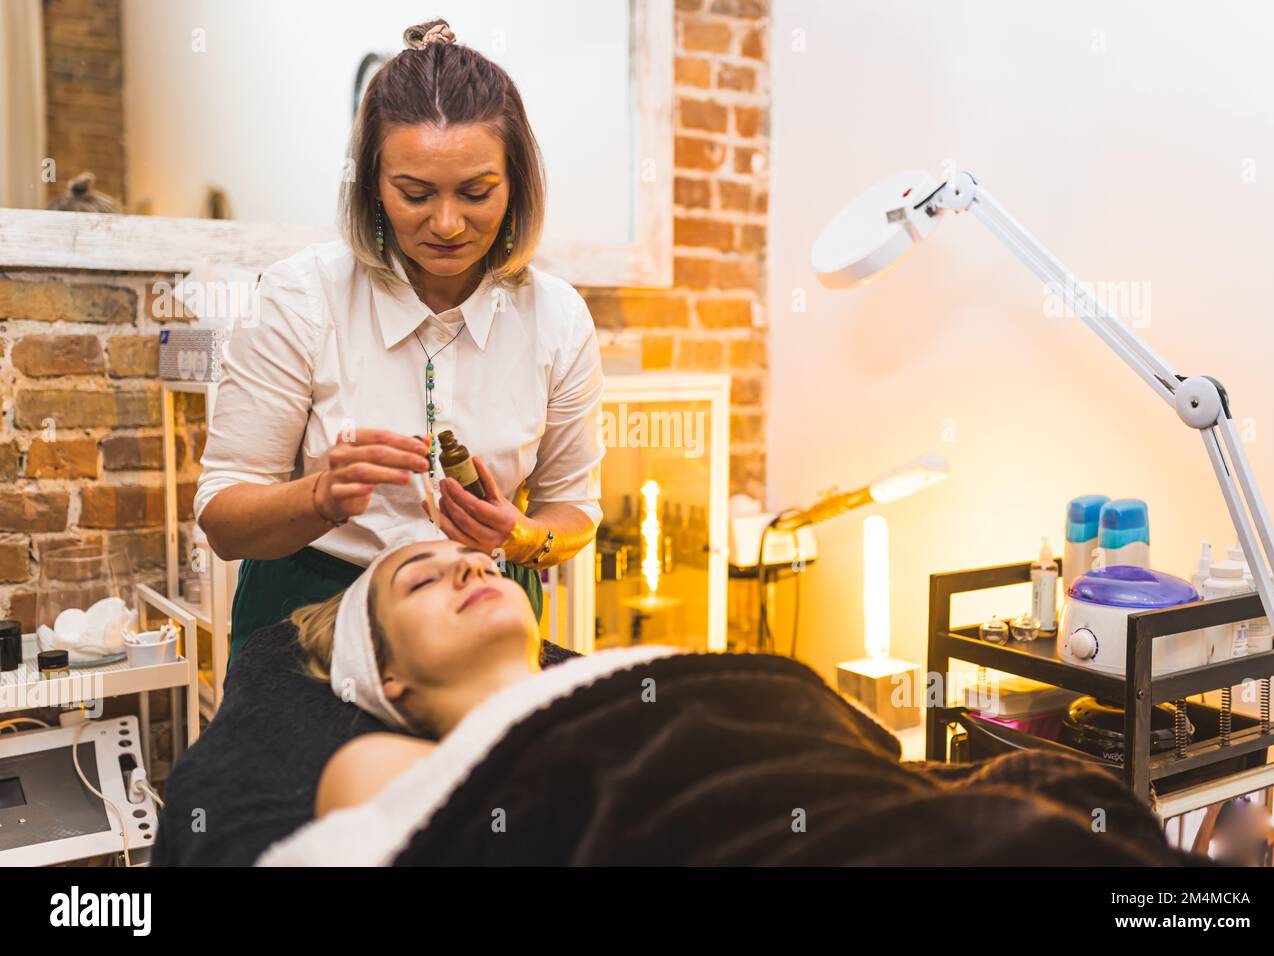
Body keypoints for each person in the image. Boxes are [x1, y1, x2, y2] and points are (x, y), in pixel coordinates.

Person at [271, 536, 1191, 867]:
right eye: (420, 581)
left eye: (469, 557)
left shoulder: (637, 671)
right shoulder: (390, 755)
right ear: (386, 679)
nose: (468, 564)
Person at [194, 18, 605, 660]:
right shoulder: (301, 297)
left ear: (517, 184)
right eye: (415, 193)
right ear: (372, 187)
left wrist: (521, 536)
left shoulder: (558, 317)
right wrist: (318, 497)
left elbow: (572, 509)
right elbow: (223, 520)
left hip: (486, 609)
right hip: (310, 613)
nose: (447, 223)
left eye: (477, 192)